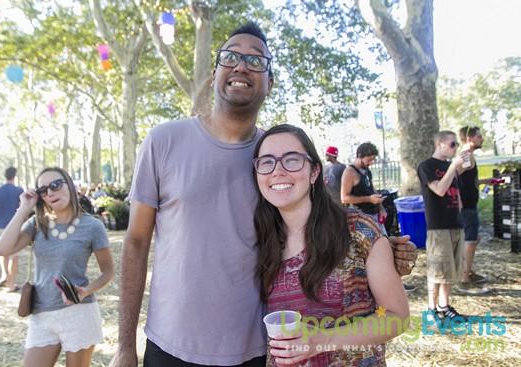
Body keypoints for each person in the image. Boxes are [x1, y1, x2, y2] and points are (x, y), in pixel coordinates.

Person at [109, 22, 417, 367]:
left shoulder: (273, 156)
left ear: (269, 84)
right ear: (214, 74)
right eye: (231, 57)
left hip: (253, 350)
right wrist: (124, 346)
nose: (241, 65)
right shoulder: (163, 141)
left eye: (256, 60)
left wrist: (379, 252)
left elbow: (317, 227)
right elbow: (135, 243)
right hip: (169, 346)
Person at [253, 124, 409, 366]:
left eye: (292, 160)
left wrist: (322, 340)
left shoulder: (358, 230)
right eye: (266, 162)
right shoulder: (257, 240)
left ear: (315, 171)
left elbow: (397, 317)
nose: (277, 171)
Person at [0, 167, 114, 367]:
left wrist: (86, 291)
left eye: (56, 185)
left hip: (79, 313)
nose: (50, 192)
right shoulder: (37, 224)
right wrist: (24, 208)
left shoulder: (93, 226)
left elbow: (108, 271)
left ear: (70, 185)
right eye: (43, 190)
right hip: (41, 315)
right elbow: (3, 249)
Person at [417, 131, 471, 324]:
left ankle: (444, 306)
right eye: (452, 144)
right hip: (438, 226)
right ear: (439, 144)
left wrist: (465, 157)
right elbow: (439, 190)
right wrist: (454, 166)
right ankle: (431, 309)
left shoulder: (450, 166)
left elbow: (468, 167)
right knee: (437, 269)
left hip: (456, 223)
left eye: (456, 144)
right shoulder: (426, 166)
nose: (455, 148)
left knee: (451, 271)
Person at [457, 125, 490, 294]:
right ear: (470, 139)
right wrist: (459, 202)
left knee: (473, 239)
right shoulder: (466, 157)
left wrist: (485, 181)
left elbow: (467, 181)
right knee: (469, 242)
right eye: (479, 136)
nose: (482, 139)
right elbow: (453, 176)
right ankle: (463, 280)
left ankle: (467, 271)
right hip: (466, 208)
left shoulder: (469, 157)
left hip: (471, 205)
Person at [0, 167, 24, 291]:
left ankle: (5, 274)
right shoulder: (19, 191)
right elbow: (23, 207)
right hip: (14, 225)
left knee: (3, 251)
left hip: (0, 225)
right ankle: (11, 284)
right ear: (15, 176)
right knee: (14, 255)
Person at [340, 142, 387, 234]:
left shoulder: (367, 171)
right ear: (360, 156)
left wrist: (381, 208)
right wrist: (369, 199)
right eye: (369, 159)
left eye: (373, 160)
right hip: (360, 217)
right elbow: (344, 198)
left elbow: (373, 190)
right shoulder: (349, 172)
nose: (371, 163)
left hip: (374, 214)